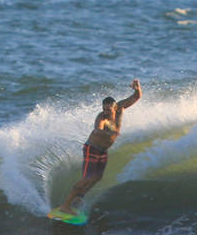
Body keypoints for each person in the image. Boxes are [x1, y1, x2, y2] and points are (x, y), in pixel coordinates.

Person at [57, 79, 142, 214]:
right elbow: (97, 129)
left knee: (97, 178)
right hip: (92, 148)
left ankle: (79, 196)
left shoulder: (120, 108)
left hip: (103, 150)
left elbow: (136, 97)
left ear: (115, 108)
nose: (106, 112)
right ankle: (65, 205)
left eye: (108, 109)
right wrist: (109, 132)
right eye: (104, 109)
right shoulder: (102, 118)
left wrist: (137, 88)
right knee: (87, 178)